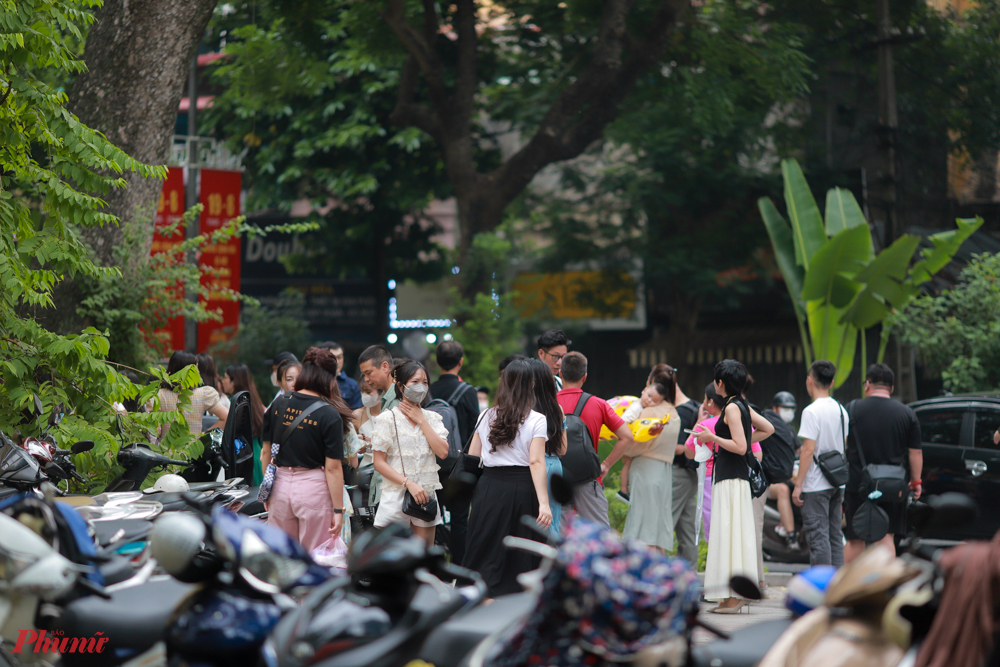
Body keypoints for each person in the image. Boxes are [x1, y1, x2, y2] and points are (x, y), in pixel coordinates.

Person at [465, 359, 552, 596]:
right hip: (522, 487)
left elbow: (472, 457)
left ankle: (479, 593)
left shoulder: (485, 415)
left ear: (504, 383)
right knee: (520, 547)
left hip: (488, 486)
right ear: (531, 384)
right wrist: (544, 503)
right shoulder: (537, 419)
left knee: (486, 543)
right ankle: (516, 596)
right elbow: (536, 462)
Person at [693, 359, 773, 614]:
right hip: (731, 477)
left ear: (720, 383)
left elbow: (739, 446)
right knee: (732, 533)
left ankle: (735, 596)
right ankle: (731, 595)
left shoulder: (731, 408)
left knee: (729, 532)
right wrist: (744, 441)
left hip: (731, 478)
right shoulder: (741, 405)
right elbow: (767, 429)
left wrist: (712, 437)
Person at [260, 348, 351, 552]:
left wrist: (267, 492)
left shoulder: (277, 404)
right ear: (328, 377)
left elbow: (266, 453)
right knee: (315, 557)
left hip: (280, 487)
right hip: (313, 489)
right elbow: (333, 469)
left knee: (282, 556)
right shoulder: (329, 414)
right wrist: (338, 509)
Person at [843, 364, 923, 563]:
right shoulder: (906, 413)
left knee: (855, 540)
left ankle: (847, 590)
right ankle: (884, 589)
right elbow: (915, 452)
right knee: (886, 537)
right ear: (892, 388)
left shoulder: (851, 409)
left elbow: (842, 445)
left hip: (857, 484)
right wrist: (916, 482)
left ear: (867, 384)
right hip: (892, 487)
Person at [370, 359, 451, 546]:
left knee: (423, 561)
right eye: (415, 382)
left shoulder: (433, 418)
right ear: (401, 385)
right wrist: (409, 484)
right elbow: (379, 463)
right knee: (394, 565)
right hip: (395, 497)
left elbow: (443, 452)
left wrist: (421, 420)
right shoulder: (387, 419)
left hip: (425, 498)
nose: (421, 387)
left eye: (425, 382)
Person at [556, 351, 635, 527]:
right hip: (589, 478)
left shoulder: (547, 403)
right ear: (585, 377)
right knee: (599, 535)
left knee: (558, 541)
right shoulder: (598, 404)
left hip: (555, 478)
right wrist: (606, 464)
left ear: (560, 374)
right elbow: (627, 436)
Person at [685, 383, 763, 548]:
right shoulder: (741, 422)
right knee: (735, 531)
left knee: (717, 532)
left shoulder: (705, 426)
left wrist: (699, 421)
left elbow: (689, 452)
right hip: (739, 478)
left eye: (705, 400)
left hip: (711, 480)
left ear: (711, 402)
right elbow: (757, 454)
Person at [792, 360, 848, 567]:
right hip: (836, 482)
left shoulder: (811, 411)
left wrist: (798, 485)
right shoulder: (842, 411)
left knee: (818, 538)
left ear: (810, 380)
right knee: (835, 535)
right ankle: (836, 588)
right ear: (832, 382)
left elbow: (808, 450)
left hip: (816, 484)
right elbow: (841, 447)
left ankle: (821, 589)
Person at [429, 340, 479, 565]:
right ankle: (459, 567)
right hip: (460, 466)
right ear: (461, 361)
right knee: (460, 520)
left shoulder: (428, 390)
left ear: (437, 362)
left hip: (432, 465)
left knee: (431, 518)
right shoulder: (468, 391)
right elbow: (474, 430)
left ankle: (434, 565)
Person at [622, 376, 680, 552]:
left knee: (642, 526)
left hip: (645, 468)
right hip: (664, 471)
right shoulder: (673, 413)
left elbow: (637, 442)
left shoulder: (649, 412)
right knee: (656, 526)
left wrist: (624, 453)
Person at [526, 359, 567, 536]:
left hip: (529, 466)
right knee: (551, 522)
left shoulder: (524, 409)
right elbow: (563, 449)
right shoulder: (557, 409)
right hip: (553, 467)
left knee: (530, 520)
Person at [150, 350, 229, 436]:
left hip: (166, 448)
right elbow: (227, 417)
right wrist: (203, 435)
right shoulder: (203, 394)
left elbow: (156, 432)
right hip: (193, 447)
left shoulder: (159, 395)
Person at [359, 345, 397, 505]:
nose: (366, 379)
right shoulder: (387, 399)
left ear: (385, 367)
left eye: (368, 373)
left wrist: (369, 445)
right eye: (364, 375)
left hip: (393, 490)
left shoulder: (399, 399)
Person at [763, 392, 802, 550]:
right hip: (770, 481)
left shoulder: (790, 430)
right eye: (785, 408)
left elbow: (801, 450)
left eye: (791, 409)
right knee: (783, 490)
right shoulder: (767, 428)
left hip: (789, 475)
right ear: (774, 408)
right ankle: (791, 535)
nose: (789, 412)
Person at [222, 363, 267, 485]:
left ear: (234, 381)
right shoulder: (256, 403)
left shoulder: (234, 405)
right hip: (259, 460)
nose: (223, 381)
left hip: (242, 461)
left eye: (225, 377)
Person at [319, 341, 363, 410]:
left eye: (339, 357)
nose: (337, 362)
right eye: (332, 358)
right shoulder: (312, 382)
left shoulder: (353, 386)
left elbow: (357, 414)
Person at [353, 375, 381, 466]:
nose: (364, 395)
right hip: (365, 470)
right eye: (362, 391)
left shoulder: (391, 414)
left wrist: (369, 444)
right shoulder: (357, 415)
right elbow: (347, 445)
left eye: (368, 392)